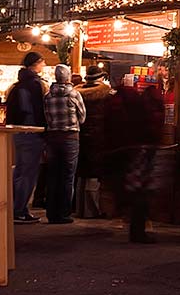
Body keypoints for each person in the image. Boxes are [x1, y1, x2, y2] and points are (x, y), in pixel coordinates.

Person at [108, 74, 164, 243]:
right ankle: (138, 230)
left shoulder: (122, 102)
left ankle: (130, 222)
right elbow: (150, 129)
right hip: (140, 149)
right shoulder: (143, 106)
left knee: (133, 188)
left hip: (124, 150)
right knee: (140, 191)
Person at [4, 52, 48, 225]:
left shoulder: (18, 85)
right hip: (31, 131)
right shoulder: (35, 85)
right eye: (42, 62)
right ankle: (19, 210)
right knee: (28, 173)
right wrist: (43, 131)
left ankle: (14, 207)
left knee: (20, 171)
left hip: (19, 132)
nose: (44, 65)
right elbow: (37, 110)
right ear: (36, 64)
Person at [43, 64, 86, 224]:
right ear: (68, 77)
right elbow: (82, 117)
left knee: (53, 174)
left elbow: (47, 117)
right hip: (70, 137)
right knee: (67, 176)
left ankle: (51, 213)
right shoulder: (74, 95)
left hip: (53, 137)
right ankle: (63, 213)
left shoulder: (48, 96)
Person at [76, 65, 115, 217]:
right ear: (101, 77)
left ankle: (80, 209)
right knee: (94, 173)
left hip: (80, 135)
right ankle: (92, 211)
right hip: (98, 136)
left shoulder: (77, 92)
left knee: (82, 173)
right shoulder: (106, 93)